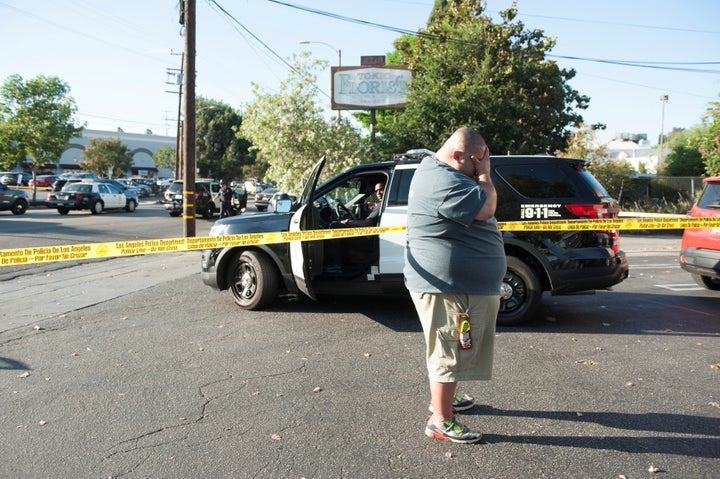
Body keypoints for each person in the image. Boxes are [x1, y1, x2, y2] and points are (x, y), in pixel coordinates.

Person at [403, 127, 506, 444]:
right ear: (458, 156)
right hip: (447, 287)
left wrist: (479, 174)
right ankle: (441, 420)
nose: (481, 169)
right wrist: (485, 177)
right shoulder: (442, 179)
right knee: (448, 350)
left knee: (455, 347)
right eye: (478, 163)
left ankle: (443, 400)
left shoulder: (443, 172)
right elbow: (487, 208)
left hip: (455, 284)